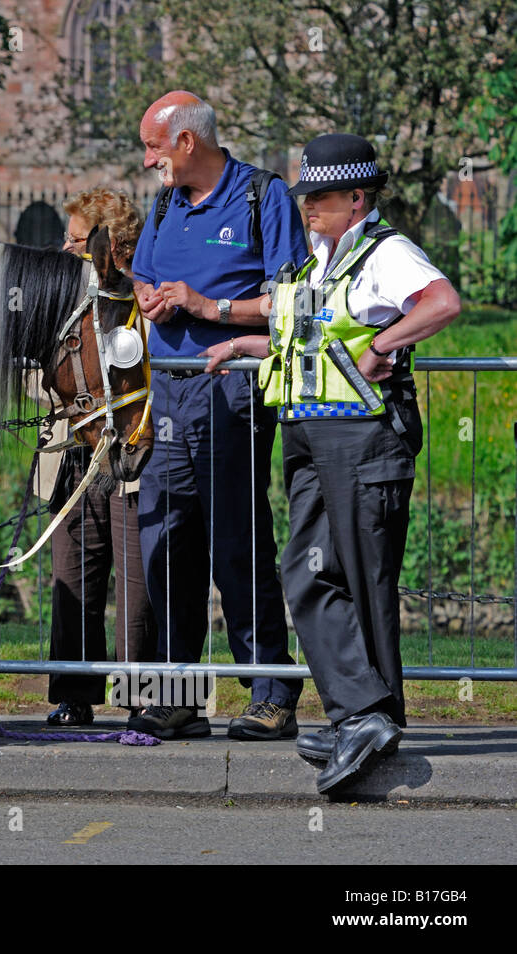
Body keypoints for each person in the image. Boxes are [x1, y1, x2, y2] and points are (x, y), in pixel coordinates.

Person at [202, 133, 460, 791]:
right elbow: (305, 336)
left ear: (356, 197)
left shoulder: (386, 252)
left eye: (320, 194)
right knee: (309, 575)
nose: (308, 205)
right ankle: (361, 716)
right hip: (311, 437)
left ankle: (368, 720)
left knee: (363, 581)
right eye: (306, 193)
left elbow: (442, 302)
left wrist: (384, 344)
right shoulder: (320, 261)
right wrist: (242, 342)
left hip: (363, 438)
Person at [128, 91, 310, 740]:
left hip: (232, 391)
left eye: (153, 146)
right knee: (166, 543)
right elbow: (145, 278)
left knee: (236, 541)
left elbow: (295, 303)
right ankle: (177, 694)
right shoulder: (165, 204)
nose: (147, 160)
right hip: (168, 395)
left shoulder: (264, 198)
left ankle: (269, 692)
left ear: (186, 142)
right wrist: (150, 297)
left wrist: (207, 307)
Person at [43, 189, 155, 726]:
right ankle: (72, 692)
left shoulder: (135, 298)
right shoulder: (56, 301)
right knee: (74, 570)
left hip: (129, 454)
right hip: (70, 455)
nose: (65, 247)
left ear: (110, 246)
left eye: (77, 239)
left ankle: (142, 696)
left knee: (136, 577)